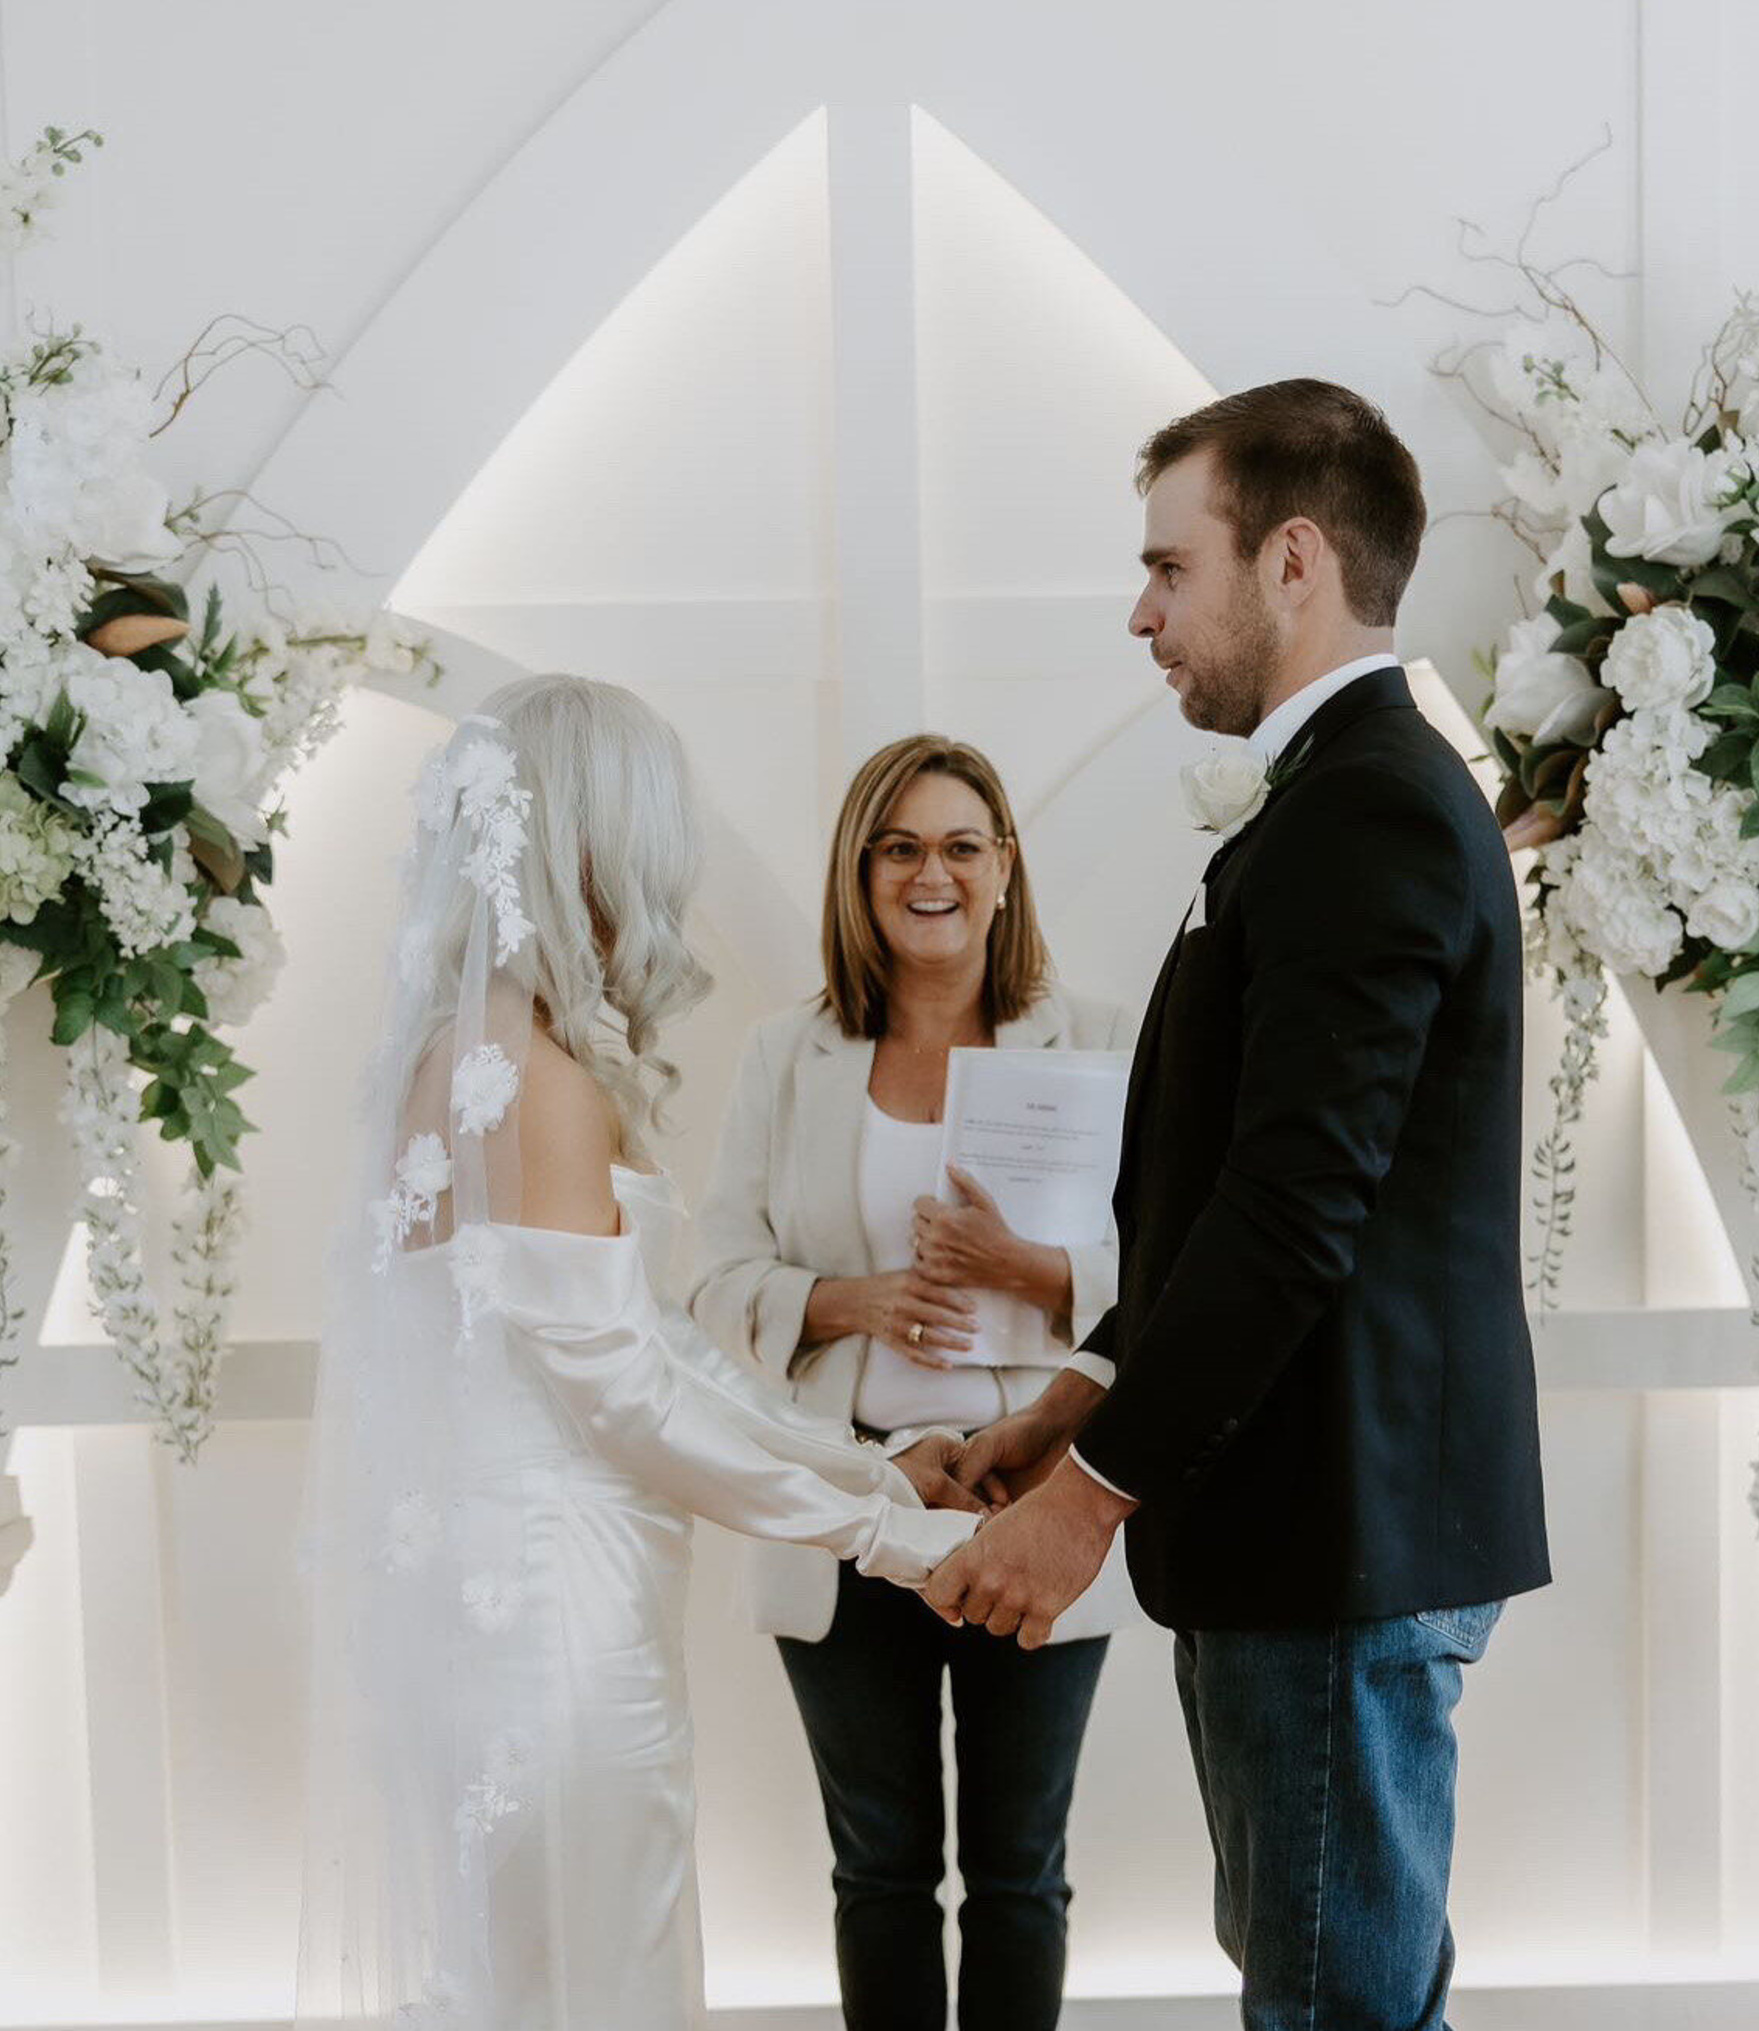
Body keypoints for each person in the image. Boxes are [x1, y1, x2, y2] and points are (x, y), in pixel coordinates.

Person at [925, 381, 1553, 2031]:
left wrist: (1086, 1506)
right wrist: (1075, 1405)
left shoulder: (1369, 813)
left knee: (1336, 2014)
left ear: (1290, 561)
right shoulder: (1340, 803)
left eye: (1165, 568)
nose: (1141, 615)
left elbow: (1293, 1216)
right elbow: (1229, 1203)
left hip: (1336, 1533)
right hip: (1305, 1525)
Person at [295, 677, 977, 2031]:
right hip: (556, 1613)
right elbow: (626, 1391)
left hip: (475, 1607)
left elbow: (637, 1338)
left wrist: (870, 1469)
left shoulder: (453, 1054)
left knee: (524, 1971)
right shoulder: (536, 1073)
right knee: (601, 1967)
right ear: (597, 845)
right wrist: (889, 1535)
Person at [688, 733, 1134, 2031]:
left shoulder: (1094, 1042)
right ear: (859, 872)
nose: (927, 873)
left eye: (958, 845)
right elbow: (713, 1280)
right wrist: (847, 1299)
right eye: (899, 847)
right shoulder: (788, 1055)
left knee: (1019, 1876)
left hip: (1030, 1503)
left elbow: (1168, 1270)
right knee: (878, 1872)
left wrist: (1032, 1267)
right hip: (848, 1500)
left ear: (1005, 868)